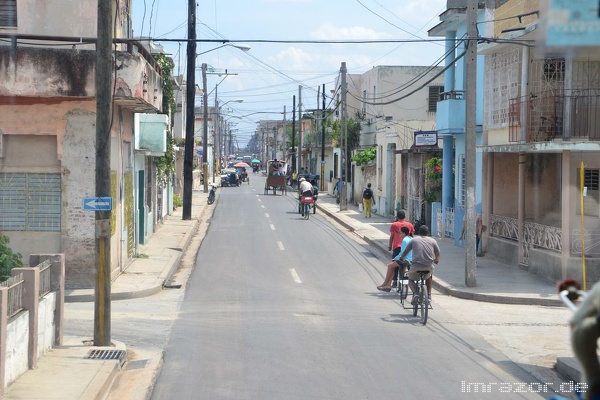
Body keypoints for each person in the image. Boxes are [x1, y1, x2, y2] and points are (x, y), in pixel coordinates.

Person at [397, 225, 440, 305]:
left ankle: (415, 293)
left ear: (419, 232)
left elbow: (406, 251)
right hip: (428, 266)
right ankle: (429, 296)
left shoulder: (414, 240)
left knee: (410, 279)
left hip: (416, 266)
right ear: (428, 233)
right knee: (429, 277)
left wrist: (402, 258)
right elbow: (437, 252)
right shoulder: (433, 241)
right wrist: (437, 259)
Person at [377, 227, 413, 292]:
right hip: (411, 259)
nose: (399, 235)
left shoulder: (405, 240)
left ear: (404, 233)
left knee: (390, 266)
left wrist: (396, 258)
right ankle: (388, 284)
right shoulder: (411, 239)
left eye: (400, 233)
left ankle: (386, 283)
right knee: (394, 266)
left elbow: (403, 252)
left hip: (405, 259)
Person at [388, 210, 415, 287]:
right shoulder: (409, 225)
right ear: (405, 217)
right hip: (408, 247)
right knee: (408, 263)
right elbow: (412, 236)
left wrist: (390, 246)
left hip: (397, 247)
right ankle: (408, 279)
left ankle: (395, 281)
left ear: (397, 217)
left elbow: (392, 236)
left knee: (395, 264)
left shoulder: (394, 225)